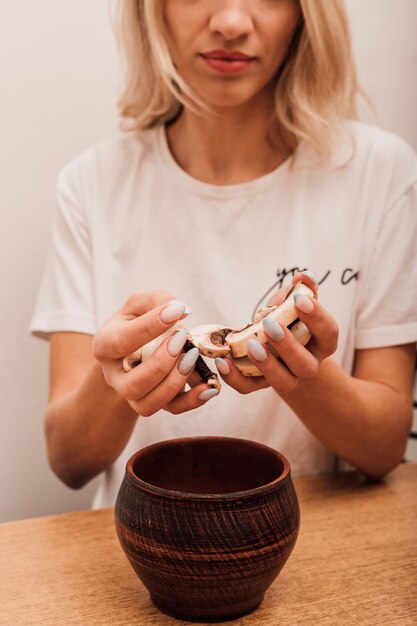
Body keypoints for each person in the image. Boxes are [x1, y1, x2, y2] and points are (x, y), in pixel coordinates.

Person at [31, 0, 417, 508]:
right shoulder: (93, 184)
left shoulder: (378, 173)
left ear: (305, 14)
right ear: (153, 12)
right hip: (139, 541)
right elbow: (68, 460)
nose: (231, 23)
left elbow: (384, 448)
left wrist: (301, 372)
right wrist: (115, 384)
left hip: (311, 547)